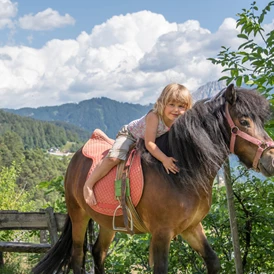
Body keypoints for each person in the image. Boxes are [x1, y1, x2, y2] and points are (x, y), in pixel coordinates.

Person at [83, 83, 193, 206]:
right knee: (114, 158)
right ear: (163, 103)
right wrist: (165, 159)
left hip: (154, 138)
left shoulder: (179, 120)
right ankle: (89, 184)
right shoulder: (154, 116)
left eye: (181, 106)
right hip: (131, 135)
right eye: (171, 104)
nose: (176, 110)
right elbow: (149, 143)